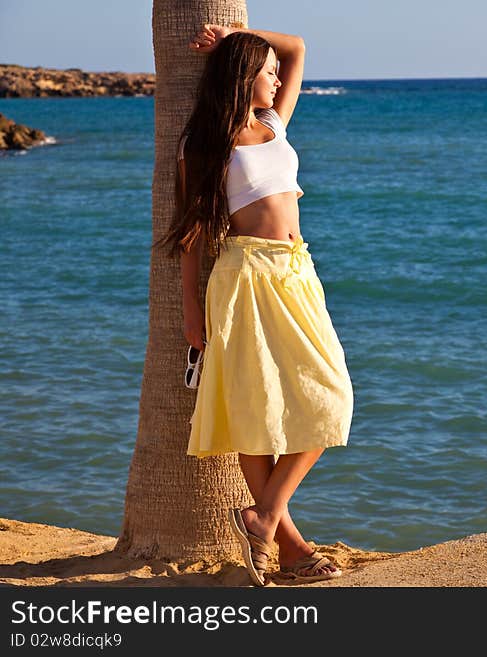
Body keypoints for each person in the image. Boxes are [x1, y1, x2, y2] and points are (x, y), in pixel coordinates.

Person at [155, 24, 354, 586]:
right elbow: (192, 235)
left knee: (331, 396)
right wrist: (193, 313)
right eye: (264, 72)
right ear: (244, 78)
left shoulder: (273, 124)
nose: (275, 78)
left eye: (272, 73)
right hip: (244, 276)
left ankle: (262, 518)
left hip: (296, 272)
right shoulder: (201, 146)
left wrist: (235, 34)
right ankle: (285, 545)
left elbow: (297, 49)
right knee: (254, 411)